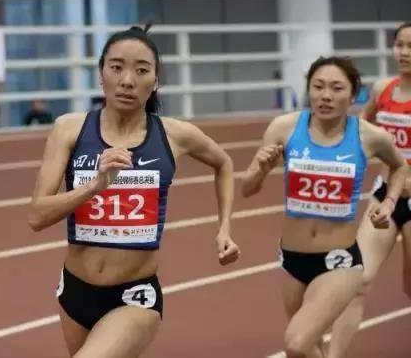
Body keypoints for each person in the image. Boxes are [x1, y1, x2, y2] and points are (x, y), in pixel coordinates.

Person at [28, 24, 240, 357]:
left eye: (141, 70)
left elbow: (224, 163)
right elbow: (37, 216)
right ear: (101, 74)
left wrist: (224, 227)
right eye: (117, 68)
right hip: (75, 290)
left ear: (155, 81)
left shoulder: (174, 135)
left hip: (134, 296)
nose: (127, 80)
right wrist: (95, 186)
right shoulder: (69, 130)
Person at [241, 56, 406, 358]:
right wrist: (261, 170)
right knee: (308, 349)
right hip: (291, 258)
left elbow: (400, 166)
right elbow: (247, 189)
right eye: (318, 87)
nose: (325, 96)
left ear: (353, 96)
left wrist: (390, 201)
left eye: (336, 88)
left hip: (339, 260)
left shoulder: (369, 136)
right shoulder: (284, 127)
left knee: (296, 344)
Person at [328, 22, 411, 357]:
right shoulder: (382, 90)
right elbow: (361, 129)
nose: (404, 52)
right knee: (357, 280)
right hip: (385, 198)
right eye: (400, 45)